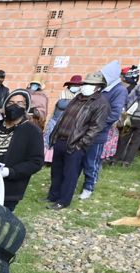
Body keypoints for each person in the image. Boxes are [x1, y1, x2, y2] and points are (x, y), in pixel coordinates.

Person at [45, 72, 109, 210]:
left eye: (90, 84)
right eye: (86, 83)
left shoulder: (101, 103)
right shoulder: (78, 98)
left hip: (75, 143)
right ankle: (53, 195)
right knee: (56, 171)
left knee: (70, 174)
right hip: (61, 139)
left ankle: (63, 201)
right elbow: (63, 118)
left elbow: (95, 128)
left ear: (98, 87)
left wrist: (81, 144)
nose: (86, 86)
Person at [0, 89, 44, 211]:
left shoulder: (32, 132)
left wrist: (10, 172)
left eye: (20, 103)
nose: (14, 106)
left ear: (26, 107)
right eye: (10, 103)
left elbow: (36, 162)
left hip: (9, 190)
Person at [78, 64, 126, 201]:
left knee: (91, 161)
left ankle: (88, 187)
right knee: (78, 159)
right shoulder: (102, 88)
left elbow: (115, 113)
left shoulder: (118, 90)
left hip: (97, 133)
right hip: (83, 130)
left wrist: (96, 125)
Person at [43, 75, 82, 163]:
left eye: (77, 86)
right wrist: (75, 102)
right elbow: (61, 105)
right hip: (56, 120)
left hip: (69, 124)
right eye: (73, 85)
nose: (75, 87)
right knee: (49, 139)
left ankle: (53, 160)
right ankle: (45, 159)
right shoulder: (64, 93)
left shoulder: (80, 95)